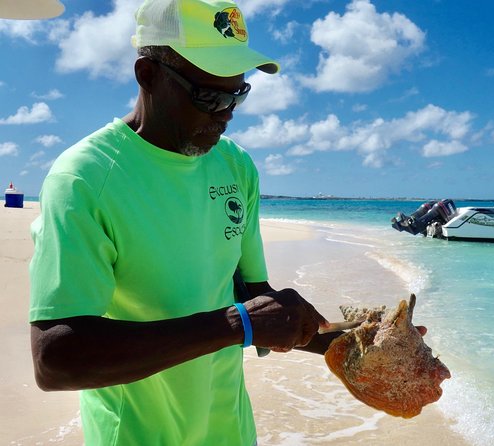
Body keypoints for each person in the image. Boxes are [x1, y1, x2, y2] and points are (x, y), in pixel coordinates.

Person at [28, 1, 337, 444]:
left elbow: (253, 299)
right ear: (148, 75)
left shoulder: (236, 167)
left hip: (230, 430)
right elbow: (56, 359)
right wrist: (236, 326)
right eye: (209, 96)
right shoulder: (85, 180)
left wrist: (358, 345)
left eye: (237, 95)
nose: (226, 113)